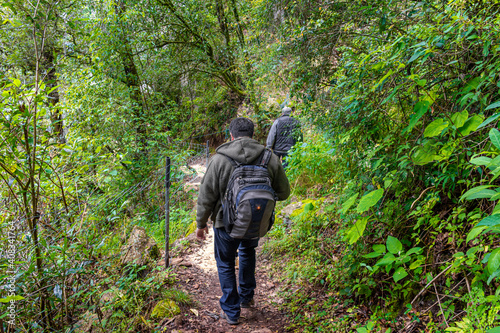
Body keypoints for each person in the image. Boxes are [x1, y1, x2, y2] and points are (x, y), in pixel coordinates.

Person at [195, 117, 290, 325]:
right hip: (254, 222)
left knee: (226, 262)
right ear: (253, 135)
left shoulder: (219, 160)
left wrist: (201, 225)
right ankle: (247, 298)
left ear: (231, 135)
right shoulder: (269, 158)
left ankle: (231, 311)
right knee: (248, 252)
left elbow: (206, 197)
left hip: (224, 223)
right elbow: (284, 193)